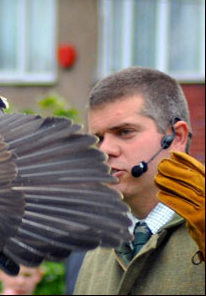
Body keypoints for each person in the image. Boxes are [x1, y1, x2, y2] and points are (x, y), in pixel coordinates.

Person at [73, 67, 205, 295]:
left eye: (125, 132)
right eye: (98, 138)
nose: (105, 150)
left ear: (176, 137)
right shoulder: (97, 246)